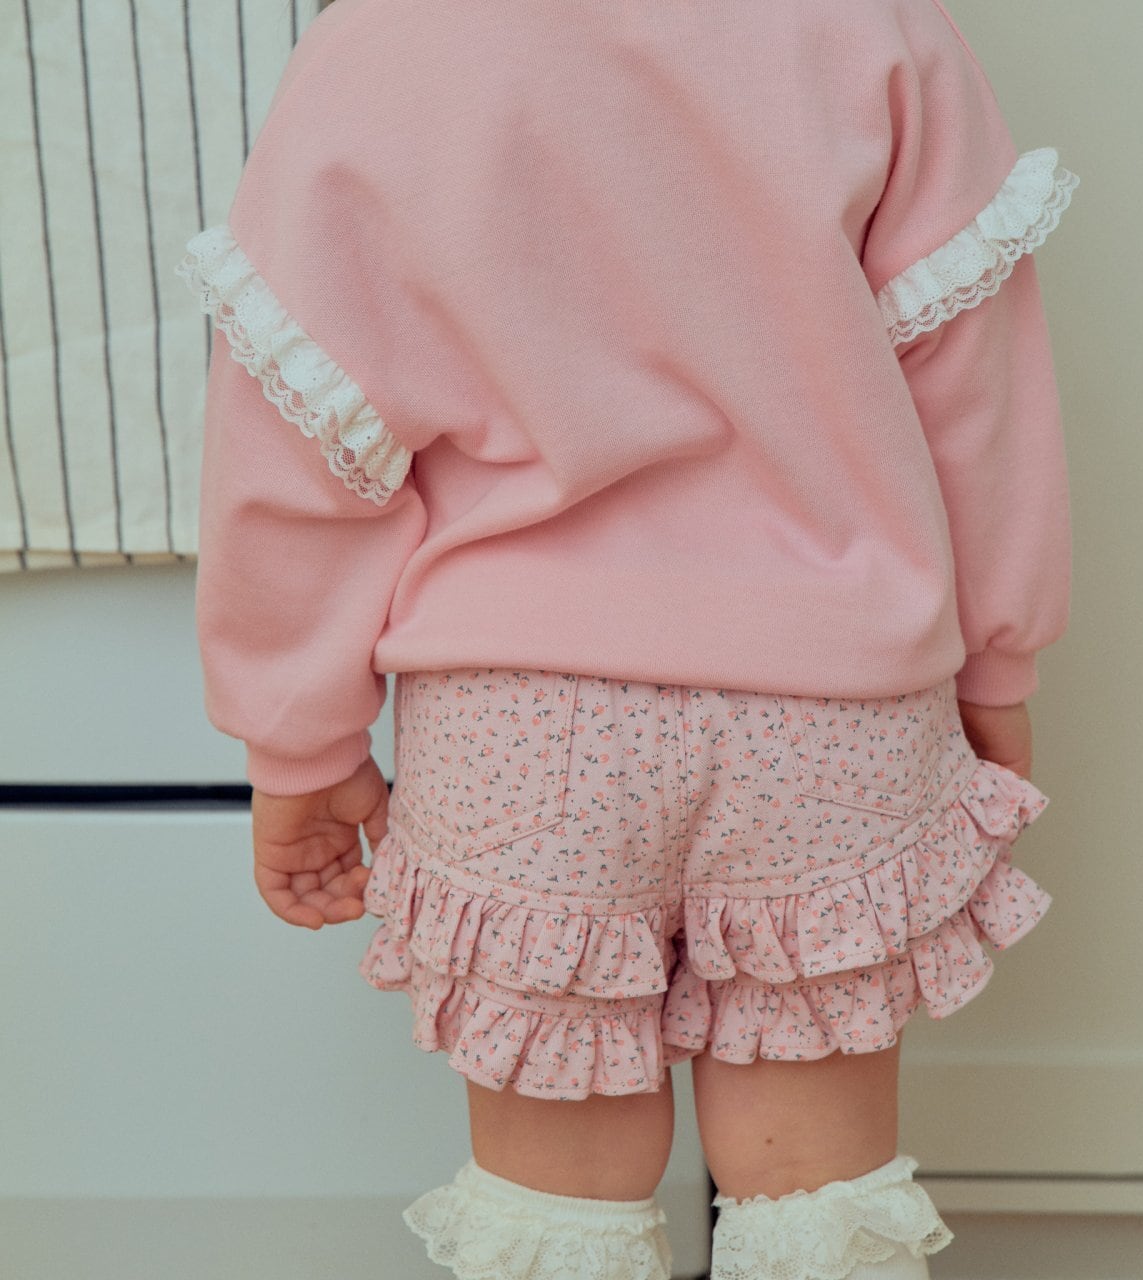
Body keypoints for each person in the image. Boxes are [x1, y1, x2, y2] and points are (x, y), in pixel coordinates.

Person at [176, 0, 1078, 1275]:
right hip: (831, 702)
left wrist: (300, 742)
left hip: (520, 722)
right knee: (816, 1189)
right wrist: (994, 659)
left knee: (558, 1206)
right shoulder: (874, 23)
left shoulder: (378, 41)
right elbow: (973, 387)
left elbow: (301, 430)